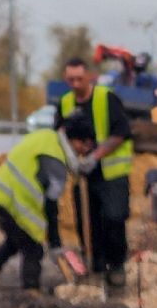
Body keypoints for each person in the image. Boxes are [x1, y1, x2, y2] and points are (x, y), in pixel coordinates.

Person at [55, 56, 134, 287]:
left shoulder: (106, 98)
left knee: (114, 218)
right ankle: (96, 267)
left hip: (111, 174)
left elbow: (120, 132)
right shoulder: (65, 102)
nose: (75, 84)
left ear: (89, 76)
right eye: (71, 79)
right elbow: (59, 133)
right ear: (65, 78)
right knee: (88, 223)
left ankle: (116, 265)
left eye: (79, 79)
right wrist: (72, 159)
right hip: (83, 176)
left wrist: (94, 156)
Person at [0, 128, 69, 293]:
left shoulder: (45, 137)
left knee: (15, 241)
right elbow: (51, 207)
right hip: (9, 201)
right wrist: (55, 243)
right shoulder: (56, 162)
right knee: (33, 248)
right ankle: (31, 293)